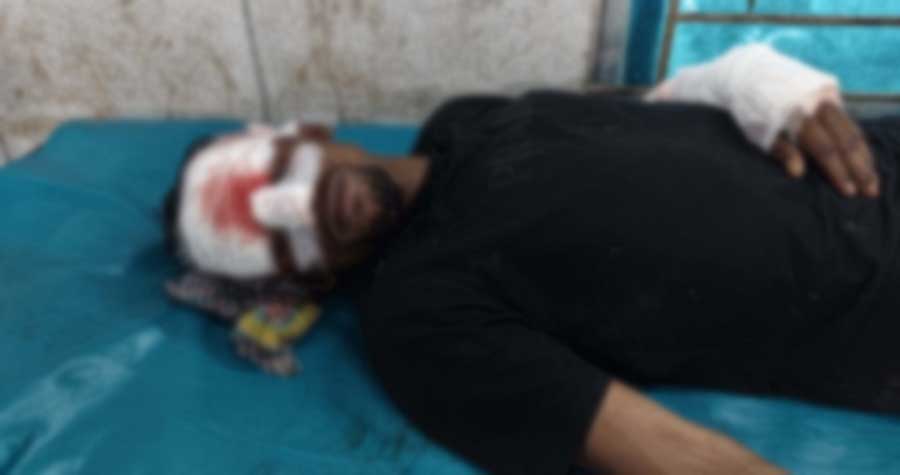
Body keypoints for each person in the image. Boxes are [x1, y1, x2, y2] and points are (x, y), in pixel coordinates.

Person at [163, 44, 900, 474]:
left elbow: (650, 118)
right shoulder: (419, 320)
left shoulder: (461, 122)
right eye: (280, 239)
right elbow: (667, 453)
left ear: (310, 133)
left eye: (280, 176)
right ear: (310, 280)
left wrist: (764, 86)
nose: (304, 208)